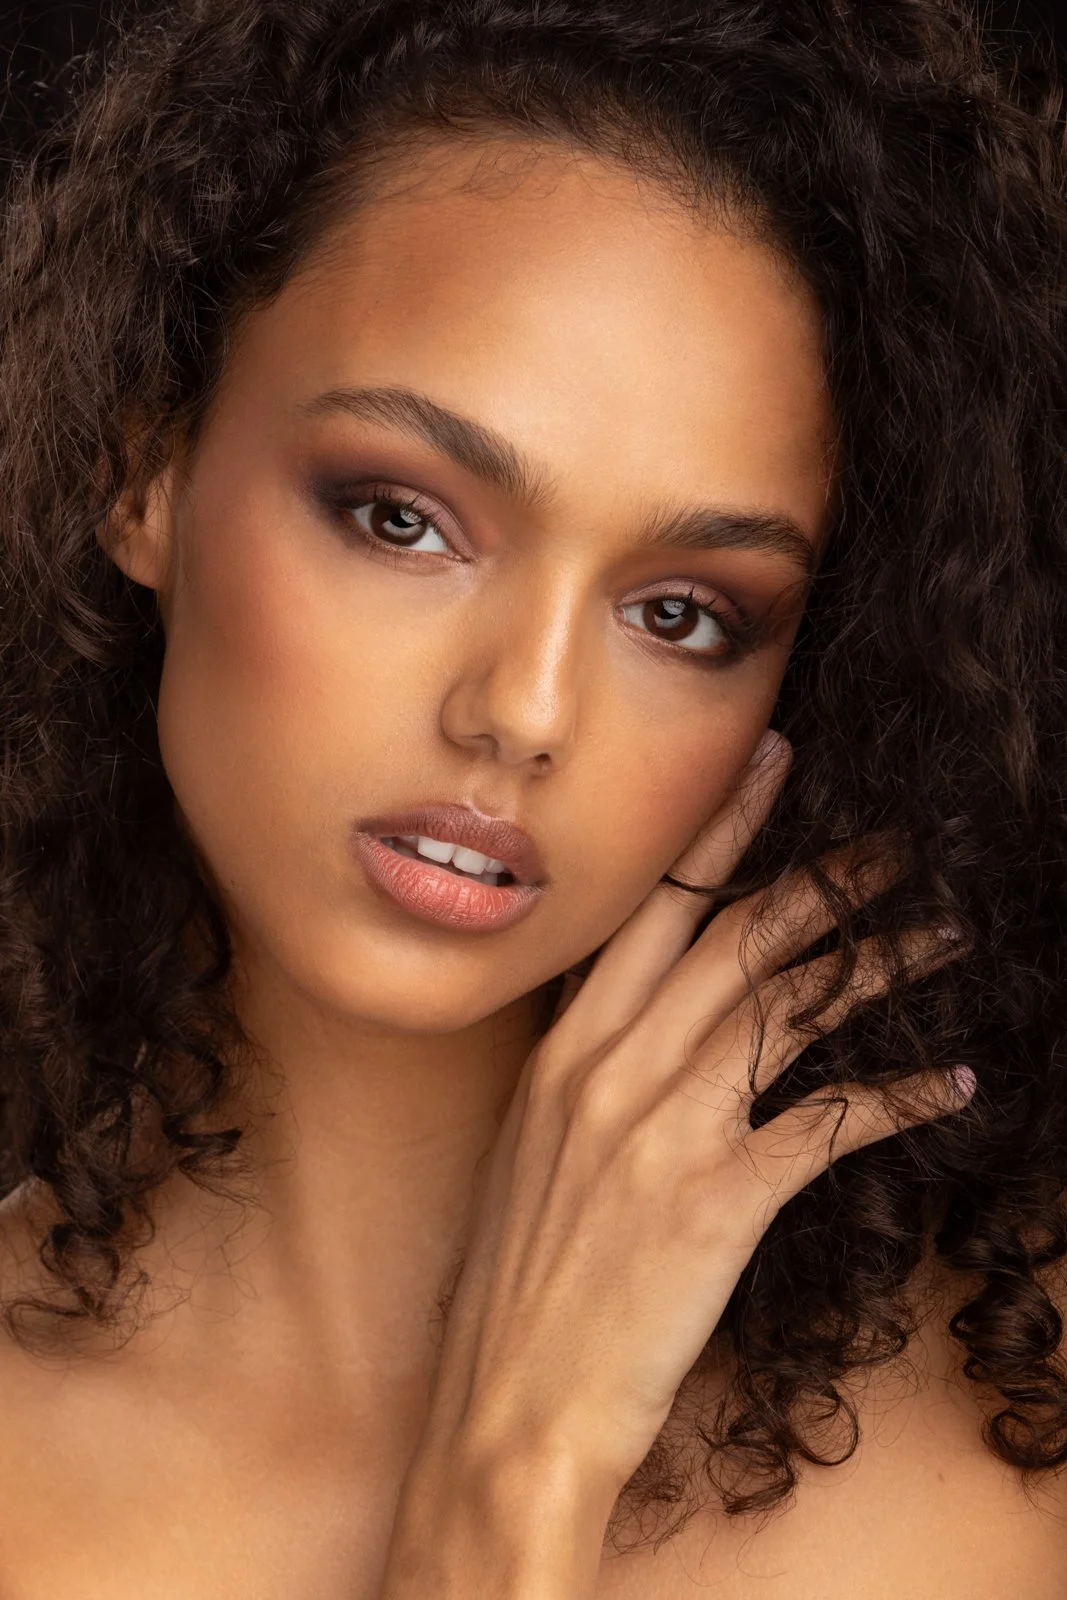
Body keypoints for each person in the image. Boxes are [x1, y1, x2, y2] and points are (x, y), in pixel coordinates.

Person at [0, 0, 1064, 1593]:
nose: (523, 710)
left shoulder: (1008, 1418)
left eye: (682, 613)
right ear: (141, 473)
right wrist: (515, 1484)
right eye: (401, 518)